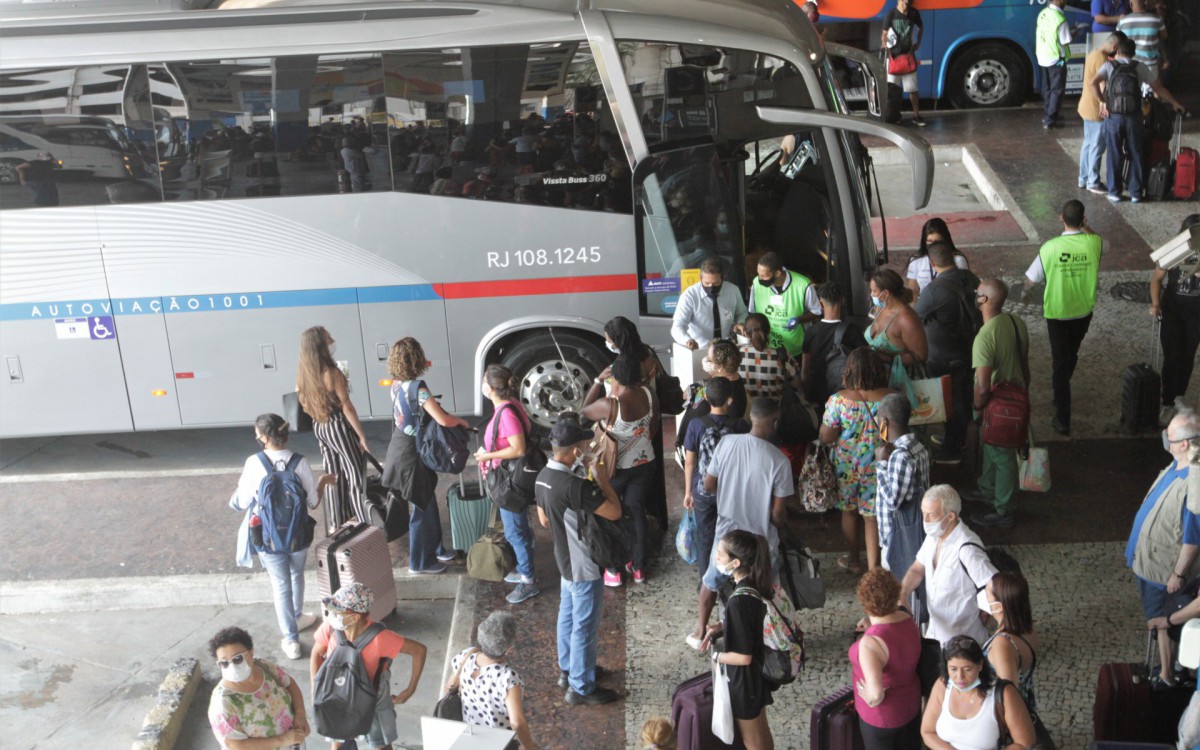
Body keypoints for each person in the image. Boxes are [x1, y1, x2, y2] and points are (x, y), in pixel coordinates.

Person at [689, 398, 793, 649]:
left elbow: (708, 485)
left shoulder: (727, 443)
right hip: (761, 542)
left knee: (711, 582)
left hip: (727, 534)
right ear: (775, 422)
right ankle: (770, 635)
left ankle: (699, 630)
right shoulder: (779, 461)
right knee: (768, 590)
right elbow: (778, 517)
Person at [534, 417, 623, 705]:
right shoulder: (574, 486)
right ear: (574, 452)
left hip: (563, 561)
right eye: (583, 445)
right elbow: (614, 512)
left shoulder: (542, 477)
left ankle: (568, 669)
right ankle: (582, 687)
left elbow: (545, 521)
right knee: (584, 626)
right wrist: (601, 480)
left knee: (567, 616)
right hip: (583, 564)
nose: (585, 448)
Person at [230, 413, 320, 660]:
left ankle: (291, 640)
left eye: (257, 433)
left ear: (265, 437)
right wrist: (323, 484)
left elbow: (243, 501)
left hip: (268, 536)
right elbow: (313, 502)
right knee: (296, 574)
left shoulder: (254, 462)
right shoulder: (300, 462)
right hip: (299, 534)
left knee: (280, 585)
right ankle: (298, 615)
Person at [1125, 409, 1200, 686]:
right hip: (1151, 562)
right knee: (1160, 619)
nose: (1165, 439)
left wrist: (1178, 574)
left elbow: (1193, 537)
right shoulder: (1177, 465)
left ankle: (1168, 675)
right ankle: (1174, 668)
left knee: (1161, 620)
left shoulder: (1195, 485)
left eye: (1170, 436)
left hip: (1162, 570)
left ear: (1184, 444)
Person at [381, 337, 468, 574]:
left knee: (427, 500)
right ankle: (419, 563)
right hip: (410, 455)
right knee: (421, 506)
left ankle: (437, 549)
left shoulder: (396, 383)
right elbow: (442, 418)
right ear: (416, 358)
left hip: (401, 448)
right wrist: (460, 421)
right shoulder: (417, 387)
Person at [311, 583, 428, 750]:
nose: (333, 614)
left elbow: (419, 650)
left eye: (339, 610)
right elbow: (316, 654)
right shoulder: (330, 627)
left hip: (372, 699)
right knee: (338, 744)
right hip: (337, 695)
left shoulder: (381, 638)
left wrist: (410, 690)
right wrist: (316, 689)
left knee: (380, 744)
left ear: (356, 616)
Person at [1022, 200, 1101, 435]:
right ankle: (1063, 384)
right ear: (1084, 219)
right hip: (1083, 312)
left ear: (1061, 218)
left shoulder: (1050, 247)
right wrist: (1087, 228)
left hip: (1057, 314)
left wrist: (1026, 292)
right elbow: (1103, 243)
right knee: (1071, 354)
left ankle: (1063, 417)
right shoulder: (1094, 243)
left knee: (1059, 364)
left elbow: (1031, 278)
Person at [700, 531, 778, 750]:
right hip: (757, 675)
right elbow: (750, 623)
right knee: (762, 732)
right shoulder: (754, 585)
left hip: (745, 681)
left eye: (720, 554)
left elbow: (743, 657)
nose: (716, 557)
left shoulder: (738, 601)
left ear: (735, 563)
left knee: (753, 742)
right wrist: (723, 626)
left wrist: (717, 656)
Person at [583, 355, 657, 586]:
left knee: (611, 513)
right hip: (645, 462)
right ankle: (638, 567)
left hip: (615, 469)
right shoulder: (648, 393)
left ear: (615, 377)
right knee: (636, 511)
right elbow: (652, 426)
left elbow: (584, 411)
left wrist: (597, 381)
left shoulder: (610, 404)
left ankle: (613, 569)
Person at [822, 348, 894, 574]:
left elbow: (826, 437)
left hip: (846, 465)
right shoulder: (891, 397)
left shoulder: (838, 400)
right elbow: (892, 433)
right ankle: (874, 569)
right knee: (871, 516)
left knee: (849, 512)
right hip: (878, 464)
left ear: (849, 370)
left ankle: (854, 561)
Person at [1089, 35, 1185, 203]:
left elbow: (1093, 83)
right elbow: (1158, 88)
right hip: (1134, 117)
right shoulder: (1139, 67)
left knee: (1114, 154)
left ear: (1117, 51)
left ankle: (1115, 192)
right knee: (1136, 153)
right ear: (1133, 53)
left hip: (1114, 117)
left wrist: (1102, 102)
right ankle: (1135, 193)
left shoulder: (1109, 65)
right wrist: (1175, 103)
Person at [899, 485, 998, 646]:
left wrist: (986, 611)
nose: (925, 520)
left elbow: (994, 584)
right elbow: (918, 568)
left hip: (964, 642)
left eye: (931, 515)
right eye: (923, 513)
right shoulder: (934, 537)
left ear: (950, 516)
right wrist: (902, 594)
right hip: (935, 635)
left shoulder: (967, 549)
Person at [968, 280, 1031, 530]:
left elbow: (983, 386)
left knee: (1003, 457)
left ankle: (1003, 509)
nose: (975, 296)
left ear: (984, 301)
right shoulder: (1017, 323)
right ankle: (987, 489)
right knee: (991, 447)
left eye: (977, 293)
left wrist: (977, 406)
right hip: (1016, 399)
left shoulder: (984, 337)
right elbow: (1025, 365)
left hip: (996, 405)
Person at [475, 364, 540, 605]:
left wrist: (488, 456)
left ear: (491, 388)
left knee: (515, 532)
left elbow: (519, 448)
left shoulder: (508, 412)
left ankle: (529, 581)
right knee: (519, 529)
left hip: (509, 484)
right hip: (513, 478)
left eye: (484, 381)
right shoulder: (511, 405)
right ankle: (525, 568)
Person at [914, 241, 980, 465]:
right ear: (953, 257)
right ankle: (957, 439)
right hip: (969, 351)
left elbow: (917, 316)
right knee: (962, 398)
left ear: (932, 263)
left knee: (949, 404)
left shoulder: (933, 290)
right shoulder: (970, 278)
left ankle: (953, 449)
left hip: (943, 358)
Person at [296, 326, 369, 527]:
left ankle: (337, 522)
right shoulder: (332, 373)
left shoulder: (304, 374)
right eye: (328, 336)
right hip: (337, 424)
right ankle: (362, 520)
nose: (332, 338)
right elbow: (347, 406)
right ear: (321, 344)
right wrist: (361, 435)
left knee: (334, 475)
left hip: (320, 426)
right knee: (354, 472)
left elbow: (303, 402)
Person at [682, 376, 750, 586]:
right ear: (730, 399)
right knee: (731, 534)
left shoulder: (695, 424)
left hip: (703, 491)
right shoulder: (740, 425)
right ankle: (732, 576)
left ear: (705, 397)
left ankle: (707, 582)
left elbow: (690, 462)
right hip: (730, 491)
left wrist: (688, 492)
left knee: (705, 536)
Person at [920, 635, 1036, 750]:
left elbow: (1024, 743)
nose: (959, 677)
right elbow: (927, 732)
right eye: (953, 669)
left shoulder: (1004, 693)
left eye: (967, 669)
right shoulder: (942, 685)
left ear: (980, 665)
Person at [850, 568, 922, 750]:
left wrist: (864, 693)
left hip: (882, 718)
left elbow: (876, 695)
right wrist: (870, 625)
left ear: (865, 603)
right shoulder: (908, 618)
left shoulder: (869, 644)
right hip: (911, 707)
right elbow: (891, 634)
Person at [207, 626, 310, 749]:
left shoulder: (264, 666)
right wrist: (282, 740)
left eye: (237, 658)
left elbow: (290, 684)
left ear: (251, 654)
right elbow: (235, 745)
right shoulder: (223, 702)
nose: (232, 666)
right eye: (224, 663)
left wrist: (300, 714)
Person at [446, 611, 537, 749]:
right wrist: (529, 746)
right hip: (499, 743)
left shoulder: (466, 656)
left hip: (471, 739)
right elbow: (517, 722)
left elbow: (449, 687)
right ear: (509, 648)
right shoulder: (507, 679)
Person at [982, 572, 1046, 737]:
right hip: (1027, 707)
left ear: (998, 605)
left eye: (987, 593)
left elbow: (1008, 695)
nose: (984, 597)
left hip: (1004, 723)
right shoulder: (1027, 628)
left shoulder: (1002, 644)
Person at [1150, 215, 1200, 425]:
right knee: (1172, 356)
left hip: (1196, 316)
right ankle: (1167, 399)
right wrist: (1155, 303)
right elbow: (1157, 278)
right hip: (1173, 313)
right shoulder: (1174, 253)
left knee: (1187, 357)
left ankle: (1179, 395)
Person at [874, 393, 929, 579]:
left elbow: (892, 501)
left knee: (901, 587)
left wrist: (881, 465)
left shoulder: (899, 455)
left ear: (884, 422)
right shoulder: (918, 446)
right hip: (917, 530)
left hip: (898, 536)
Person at [865, 269, 927, 409]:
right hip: (878, 382)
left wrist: (887, 358)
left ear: (885, 293)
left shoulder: (907, 318)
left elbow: (920, 356)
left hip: (901, 385)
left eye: (874, 291)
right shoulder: (880, 309)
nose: (871, 295)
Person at [801, 283, 866, 408]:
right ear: (843, 301)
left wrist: (806, 395)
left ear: (820, 304)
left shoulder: (811, 331)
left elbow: (805, 369)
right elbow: (864, 362)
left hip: (817, 393)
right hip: (844, 392)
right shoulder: (852, 330)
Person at [748, 251, 822, 359]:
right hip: (766, 349)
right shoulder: (756, 284)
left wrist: (798, 319)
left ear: (777, 273)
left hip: (795, 349)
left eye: (763, 276)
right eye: (758, 274)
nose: (759, 279)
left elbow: (817, 312)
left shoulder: (803, 285)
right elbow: (752, 313)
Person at [1077, 33, 1122, 195]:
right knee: (1097, 146)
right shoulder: (1102, 60)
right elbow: (1103, 84)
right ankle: (1093, 181)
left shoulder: (1093, 53)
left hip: (1085, 106)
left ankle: (1083, 178)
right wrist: (1105, 103)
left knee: (1088, 144)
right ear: (1115, 47)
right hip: (1096, 109)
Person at [671, 258, 748, 351]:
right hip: (700, 348)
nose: (711, 287)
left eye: (716, 283)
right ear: (700, 278)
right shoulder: (689, 295)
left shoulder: (733, 290)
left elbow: (741, 312)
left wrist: (740, 322)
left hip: (727, 347)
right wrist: (687, 340)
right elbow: (677, 327)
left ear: (723, 278)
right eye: (707, 283)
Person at [881, 0, 925, 126]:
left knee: (913, 90)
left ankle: (916, 115)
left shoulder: (914, 13)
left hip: (908, 57)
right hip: (894, 59)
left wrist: (918, 43)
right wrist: (885, 45)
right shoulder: (891, 14)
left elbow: (921, 27)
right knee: (892, 92)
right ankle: (893, 116)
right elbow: (884, 33)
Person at [904, 218, 970, 300]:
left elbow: (964, 287)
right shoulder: (916, 260)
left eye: (937, 241)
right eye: (929, 241)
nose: (933, 245)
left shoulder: (958, 260)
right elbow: (913, 292)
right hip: (926, 304)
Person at [741, 312, 801, 403]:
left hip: (748, 411)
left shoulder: (737, 356)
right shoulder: (783, 356)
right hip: (776, 410)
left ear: (745, 333)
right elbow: (796, 384)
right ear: (769, 331)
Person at [1036, 0, 1072, 130]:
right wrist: (1075, 31)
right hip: (1057, 59)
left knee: (1047, 88)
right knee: (1057, 89)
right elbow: (1065, 40)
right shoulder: (1060, 19)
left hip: (1042, 56)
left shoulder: (1043, 13)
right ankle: (1051, 119)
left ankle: (1047, 114)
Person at [1117, 0, 1168, 79]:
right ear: (1145, 3)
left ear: (1130, 4)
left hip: (1129, 63)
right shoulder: (1156, 19)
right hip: (1150, 63)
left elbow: (1117, 39)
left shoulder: (1123, 21)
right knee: (1154, 89)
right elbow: (1164, 36)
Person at [702, 339, 748, 419]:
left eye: (709, 360)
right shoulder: (720, 378)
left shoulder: (729, 394)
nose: (705, 361)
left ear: (719, 366)